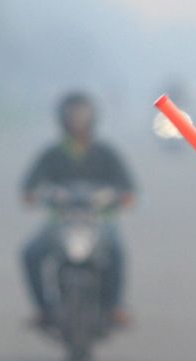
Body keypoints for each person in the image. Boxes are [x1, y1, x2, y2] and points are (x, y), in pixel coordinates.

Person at [21, 92, 135, 327]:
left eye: (82, 115)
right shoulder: (52, 153)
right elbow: (30, 185)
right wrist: (31, 195)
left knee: (116, 252)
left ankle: (114, 306)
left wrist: (123, 197)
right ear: (62, 118)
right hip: (60, 221)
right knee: (30, 253)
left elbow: (127, 187)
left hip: (99, 220)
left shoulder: (105, 152)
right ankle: (43, 309)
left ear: (92, 117)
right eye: (72, 115)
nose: (77, 121)